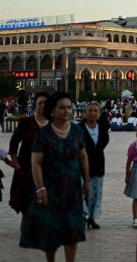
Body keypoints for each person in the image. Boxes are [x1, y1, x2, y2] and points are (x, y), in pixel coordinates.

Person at [20, 92, 90, 262]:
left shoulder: (76, 131)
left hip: (72, 189)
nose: (67, 111)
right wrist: (40, 187)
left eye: (69, 107)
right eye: (62, 107)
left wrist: (86, 181)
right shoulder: (43, 134)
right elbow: (36, 162)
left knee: (72, 229)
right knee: (50, 229)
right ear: (52, 110)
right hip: (50, 189)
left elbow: (83, 156)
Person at [9, 92, 50, 223]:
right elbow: (14, 141)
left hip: (47, 166)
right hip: (26, 164)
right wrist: (14, 160)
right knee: (25, 192)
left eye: (46, 103)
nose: (42, 106)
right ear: (35, 105)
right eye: (40, 103)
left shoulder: (54, 124)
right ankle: (25, 218)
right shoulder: (27, 122)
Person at [79, 102, 109, 230]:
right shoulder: (79, 128)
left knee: (96, 193)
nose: (92, 113)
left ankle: (91, 217)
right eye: (90, 110)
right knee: (82, 191)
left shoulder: (102, 127)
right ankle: (81, 217)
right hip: (81, 165)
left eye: (95, 111)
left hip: (98, 164)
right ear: (85, 113)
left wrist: (95, 150)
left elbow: (104, 141)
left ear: (99, 114)